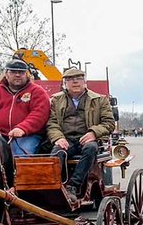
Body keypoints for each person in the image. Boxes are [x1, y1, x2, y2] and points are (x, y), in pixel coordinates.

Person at [47, 66, 117, 199]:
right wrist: (58, 138)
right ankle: (56, 187)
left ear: (85, 82)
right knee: (57, 153)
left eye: (78, 78)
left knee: (91, 149)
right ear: (65, 84)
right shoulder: (56, 100)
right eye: (70, 79)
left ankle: (73, 185)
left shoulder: (99, 100)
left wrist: (93, 133)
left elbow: (109, 123)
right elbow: (52, 123)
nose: (75, 82)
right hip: (66, 139)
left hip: (88, 140)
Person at [0, 58, 51, 157]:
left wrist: (22, 128)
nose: (17, 75)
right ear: (6, 74)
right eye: (13, 72)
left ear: (27, 75)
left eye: (21, 72)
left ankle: (21, 173)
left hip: (28, 135)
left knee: (20, 155)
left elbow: (40, 114)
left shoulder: (37, 92)